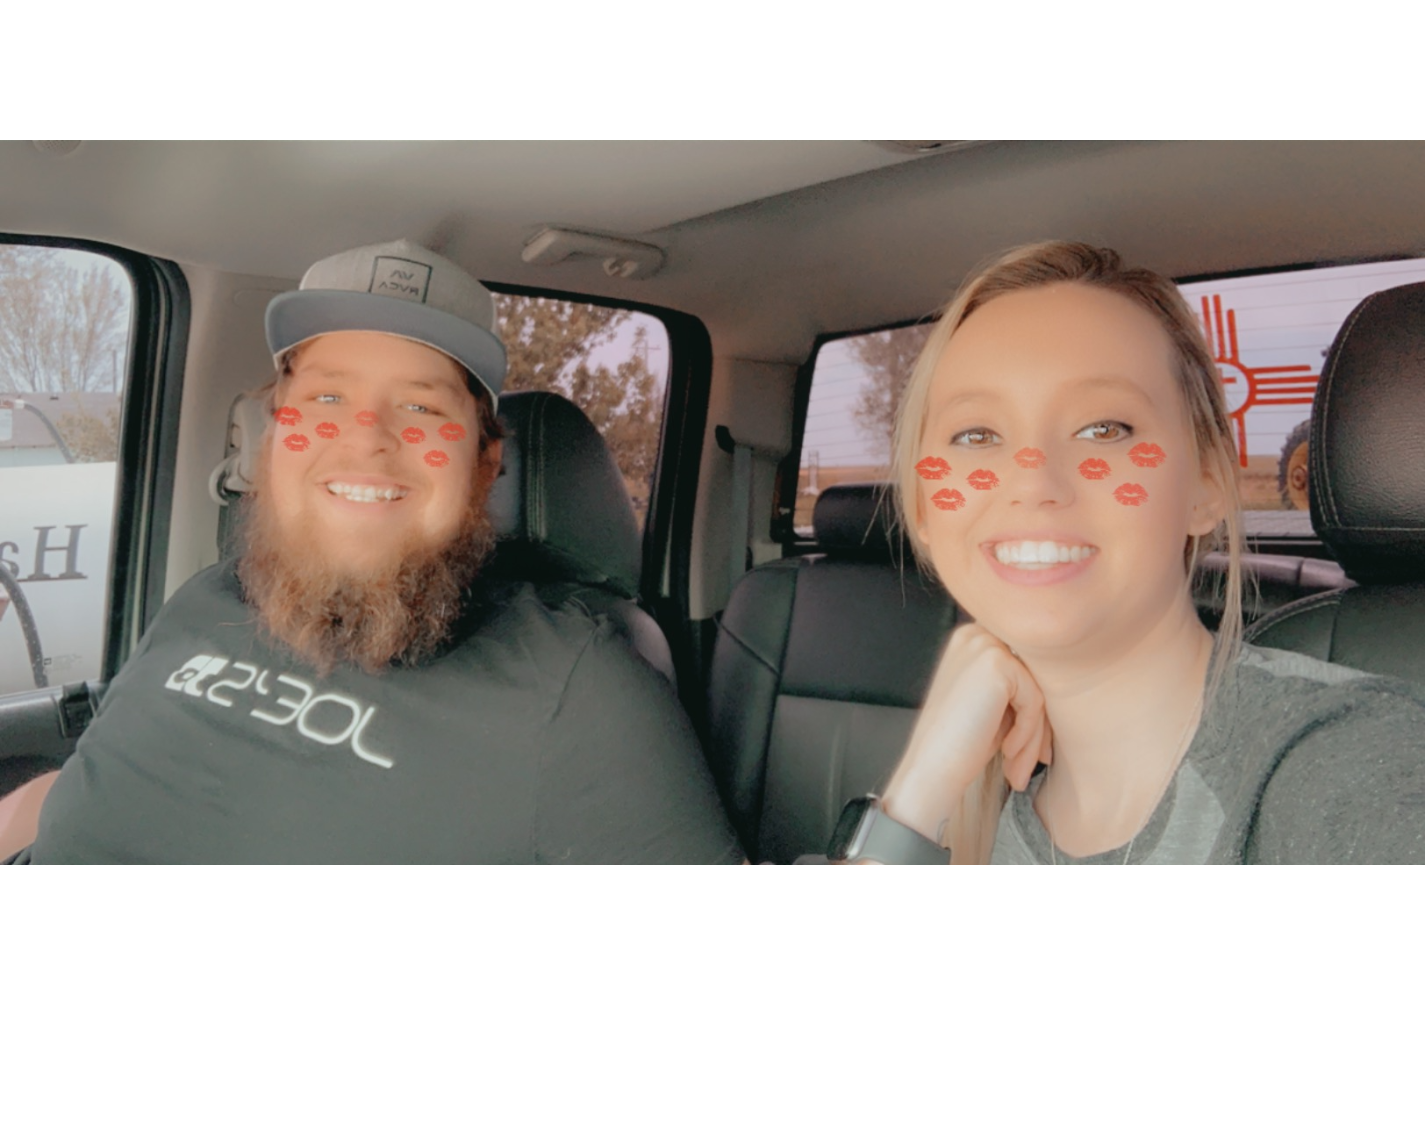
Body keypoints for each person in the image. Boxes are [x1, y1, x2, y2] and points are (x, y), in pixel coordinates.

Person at [4, 240, 741, 863]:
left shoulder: (584, 697)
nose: (365, 437)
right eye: (327, 398)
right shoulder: (205, 596)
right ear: (274, 438)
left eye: (421, 406)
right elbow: (77, 790)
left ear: (484, 464)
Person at [838, 241, 1425, 864]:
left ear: (1206, 483)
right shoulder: (966, 794)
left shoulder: (1350, 764)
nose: (1032, 482)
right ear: (924, 506)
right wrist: (918, 794)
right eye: (976, 434)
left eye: (1104, 429)